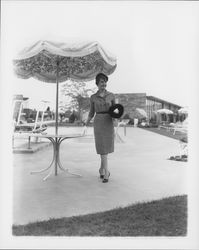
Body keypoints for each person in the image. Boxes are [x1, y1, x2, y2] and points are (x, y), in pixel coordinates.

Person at [85, 73, 117, 183]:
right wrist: (86, 122)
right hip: (98, 121)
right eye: (102, 81)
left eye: (105, 81)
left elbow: (115, 110)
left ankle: (102, 170)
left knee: (106, 147)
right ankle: (106, 172)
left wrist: (116, 119)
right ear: (97, 83)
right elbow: (91, 112)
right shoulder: (93, 97)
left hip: (108, 122)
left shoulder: (112, 95)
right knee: (101, 147)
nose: (104, 83)